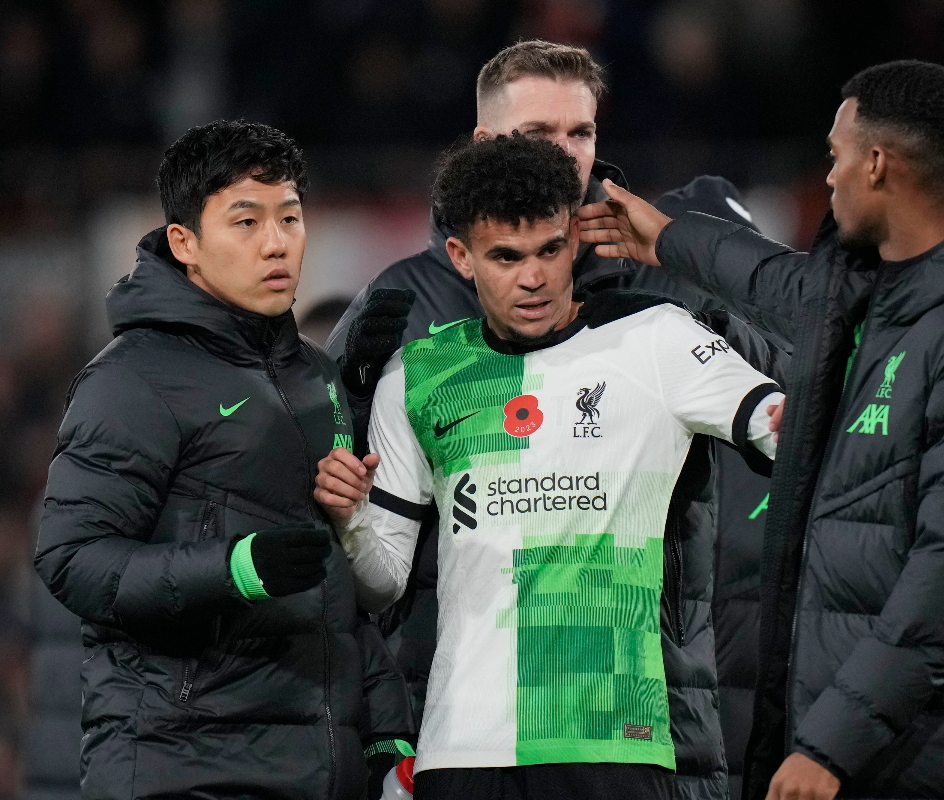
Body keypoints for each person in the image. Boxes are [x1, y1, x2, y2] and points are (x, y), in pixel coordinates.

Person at [578, 60, 944, 800]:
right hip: (878, 748)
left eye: (837, 156)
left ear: (877, 164)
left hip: (943, 758)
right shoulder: (888, 292)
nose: (831, 176)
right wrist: (666, 238)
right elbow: (779, 282)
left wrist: (829, 746)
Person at [328, 39, 786, 800]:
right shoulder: (408, 329)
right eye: (544, 135)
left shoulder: (659, 311)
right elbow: (372, 560)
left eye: (582, 133)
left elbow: (792, 411)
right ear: (464, 255)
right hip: (454, 731)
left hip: (638, 714)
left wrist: (690, 257)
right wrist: (385, 736)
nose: (569, 156)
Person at [34, 120, 413, 800]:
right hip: (181, 766)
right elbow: (73, 560)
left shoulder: (316, 377)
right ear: (186, 243)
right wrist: (235, 569)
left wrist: (385, 734)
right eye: (246, 221)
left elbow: (331, 585)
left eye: (290, 218)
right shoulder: (132, 379)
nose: (276, 243)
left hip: (316, 769)